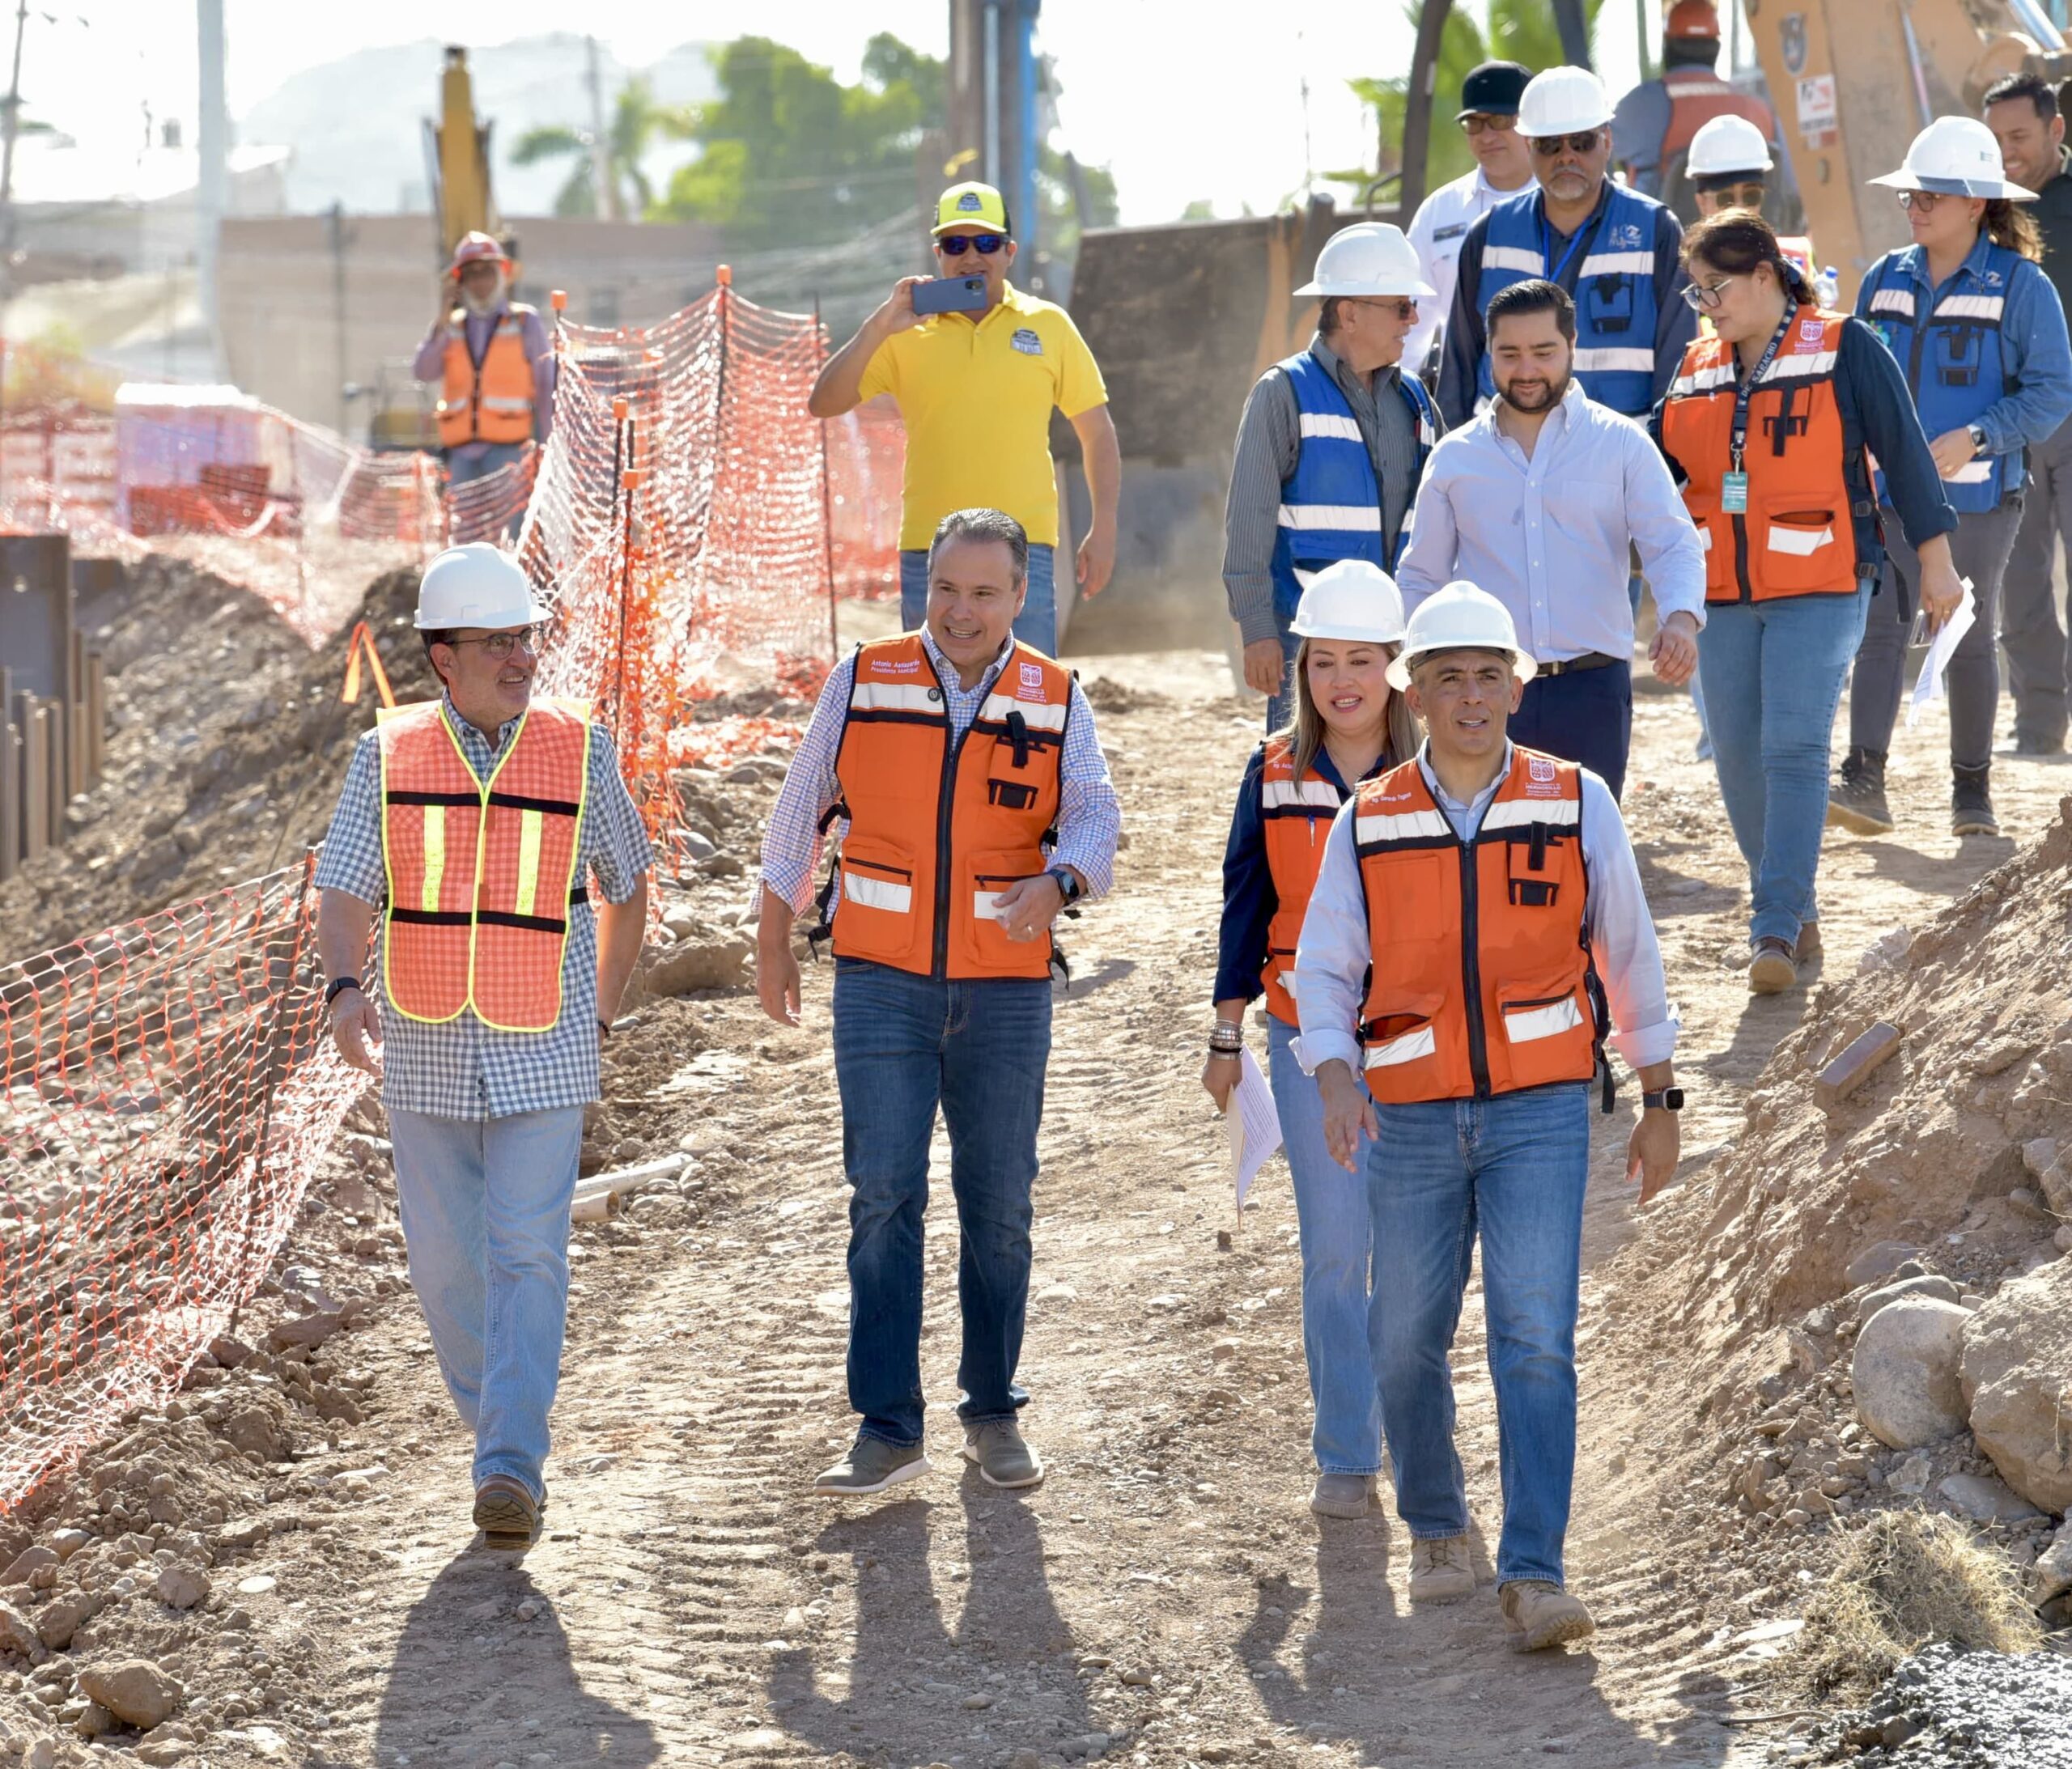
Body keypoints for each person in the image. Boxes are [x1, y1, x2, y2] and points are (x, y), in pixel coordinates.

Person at [1292, 580, 1679, 1653]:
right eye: (1448, 676)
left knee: (1535, 1340)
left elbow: (1630, 955)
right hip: (1407, 1117)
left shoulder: (1574, 801)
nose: (1471, 696)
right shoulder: (1369, 819)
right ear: (1413, 692)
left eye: (1489, 675)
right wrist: (1331, 1075)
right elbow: (1324, 969)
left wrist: (1658, 1095)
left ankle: (1536, 1569)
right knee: (1403, 1336)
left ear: (1521, 683)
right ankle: (1433, 1517)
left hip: (1543, 1114)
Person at [753, 507, 1121, 1499]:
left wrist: (1063, 881)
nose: (961, 611)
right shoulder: (863, 678)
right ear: (927, 588)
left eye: (984, 592)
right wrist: (771, 935)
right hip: (880, 984)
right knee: (883, 1197)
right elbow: (798, 809)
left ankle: (992, 1411)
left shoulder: (1054, 697)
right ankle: (886, 1425)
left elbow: (1094, 813)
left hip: (1004, 991)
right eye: (946, 589)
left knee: (998, 1208)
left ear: (1018, 596)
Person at [315, 543, 653, 1546]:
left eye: (526, 638)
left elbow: (627, 885)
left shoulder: (579, 748)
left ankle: (509, 1461)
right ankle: (494, 1420)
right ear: (441, 659)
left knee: (528, 1250)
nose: (519, 657)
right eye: (497, 641)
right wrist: (343, 989)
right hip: (421, 1044)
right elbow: (342, 886)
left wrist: (600, 1007)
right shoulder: (388, 753)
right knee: (448, 1268)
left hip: (546, 1042)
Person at [1654, 211, 1958, 994]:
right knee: (1736, 758)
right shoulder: (1692, 367)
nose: (1708, 305)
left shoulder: (1847, 347)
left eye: (1717, 288)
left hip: (1823, 586)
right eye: (1698, 293)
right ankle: (1790, 905)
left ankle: (1774, 927)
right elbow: (1643, 466)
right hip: (1719, 593)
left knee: (1792, 749)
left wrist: (1937, 565)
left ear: (1765, 275)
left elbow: (1907, 459)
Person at [1204, 559, 1420, 1521]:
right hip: (1302, 1033)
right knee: (1336, 1244)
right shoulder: (1273, 769)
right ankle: (1346, 1447)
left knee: (1410, 1249)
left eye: (1362, 661)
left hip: (1417, 1036)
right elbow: (1245, 903)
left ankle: (1414, 1431)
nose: (1342, 680)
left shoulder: (1432, 773)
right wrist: (1224, 1025)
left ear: (1395, 668)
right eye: (1323, 660)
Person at [1832, 117, 2072, 840]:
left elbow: (2052, 390)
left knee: (1968, 635)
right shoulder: (1881, 278)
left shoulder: (2022, 286)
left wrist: (1978, 436)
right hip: (1889, 499)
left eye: (1933, 195)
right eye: (1911, 194)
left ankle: (1972, 794)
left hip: (1980, 500)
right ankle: (1863, 779)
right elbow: (1854, 380)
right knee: (1880, 631)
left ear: (1976, 205)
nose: (1916, 206)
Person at [1399, 278, 1705, 800]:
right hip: (1484, 691)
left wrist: (1680, 618)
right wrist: (1416, 668)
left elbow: (1671, 543)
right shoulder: (1453, 457)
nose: (1526, 370)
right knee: (1486, 847)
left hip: (1594, 689)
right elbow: (1421, 575)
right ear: (1489, 352)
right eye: (1509, 353)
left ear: (1572, 346)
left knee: (1584, 847)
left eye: (1543, 352)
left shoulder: (1621, 444)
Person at [809, 182, 1121, 656]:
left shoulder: (1049, 325)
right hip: (932, 551)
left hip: (1025, 550)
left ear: (1009, 251)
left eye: (986, 243)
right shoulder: (904, 331)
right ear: (938, 254)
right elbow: (824, 402)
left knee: (1029, 701)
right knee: (934, 704)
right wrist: (879, 324)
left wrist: (1105, 528)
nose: (971, 256)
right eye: (956, 244)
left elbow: (1097, 432)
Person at [1224, 223, 1442, 730]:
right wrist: (1257, 629)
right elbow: (1248, 520)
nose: (1413, 319)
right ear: (1350, 312)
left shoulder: (1416, 401)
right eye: (1401, 306)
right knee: (1300, 777)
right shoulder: (1282, 392)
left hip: (1394, 634)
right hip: (1307, 636)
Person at [1439, 65, 1697, 432]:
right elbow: (1458, 365)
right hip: (1506, 457)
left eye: (1581, 142)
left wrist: (1657, 462)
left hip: (1615, 456)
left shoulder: (1655, 229)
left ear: (1607, 141)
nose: (1566, 156)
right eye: (1549, 144)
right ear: (1529, 147)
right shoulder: (1490, 233)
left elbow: (1679, 364)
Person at [1985, 74, 2072, 753]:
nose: (2005, 153)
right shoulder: (1983, 214)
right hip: (2010, 422)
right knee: (2019, 585)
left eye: (2018, 137)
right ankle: (2039, 726)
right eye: (1994, 139)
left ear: (2055, 129)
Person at [1405, 61, 1538, 383]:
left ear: (1533, 123)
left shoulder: (1568, 205)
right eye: (1474, 123)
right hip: (1464, 395)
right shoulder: (1439, 211)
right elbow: (1411, 320)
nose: (1487, 135)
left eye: (1500, 120)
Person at [1612, 0, 1794, 227]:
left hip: (1667, 246)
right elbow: (1792, 189)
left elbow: (1602, 155)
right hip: (1757, 240)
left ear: (1669, 45)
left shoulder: (1640, 106)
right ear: (1716, 48)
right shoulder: (1758, 107)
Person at [414, 232, 555, 491]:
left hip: (510, 452)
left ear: (501, 273)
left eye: (487, 272)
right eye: (472, 274)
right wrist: (441, 321)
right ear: (461, 282)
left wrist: (548, 446)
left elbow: (546, 385)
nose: (480, 282)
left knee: (511, 530)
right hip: (462, 455)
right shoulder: (451, 326)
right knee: (466, 531)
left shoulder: (525, 322)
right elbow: (424, 371)